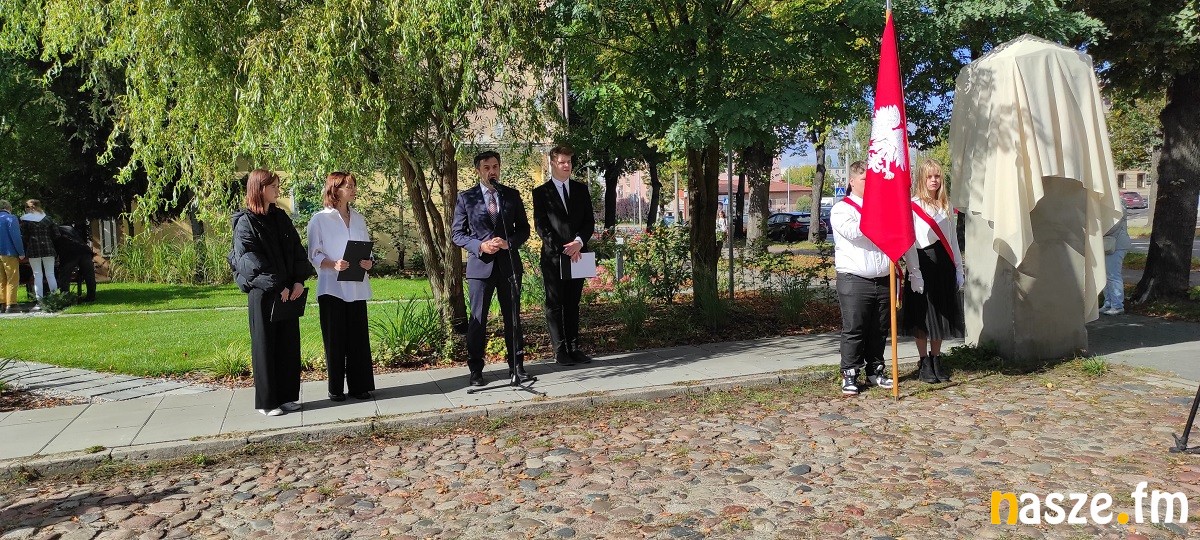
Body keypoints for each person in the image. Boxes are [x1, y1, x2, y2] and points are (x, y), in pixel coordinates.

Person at [230, 169, 313, 416]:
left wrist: (298, 281)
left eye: (278, 186)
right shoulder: (245, 223)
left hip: (289, 292)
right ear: (260, 189)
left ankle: (287, 397)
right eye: (274, 186)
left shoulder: (280, 217)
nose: (278, 190)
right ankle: (267, 403)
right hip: (264, 294)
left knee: (288, 345)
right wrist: (278, 286)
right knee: (265, 347)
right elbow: (249, 260)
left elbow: (296, 249)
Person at [452, 151, 532, 387]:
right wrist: (480, 246)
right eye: (486, 168)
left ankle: (516, 366)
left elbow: (524, 229)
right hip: (480, 267)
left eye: (495, 166)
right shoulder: (466, 198)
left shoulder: (511, 195)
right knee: (478, 319)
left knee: (512, 317)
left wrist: (509, 242)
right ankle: (476, 370)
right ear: (478, 170)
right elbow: (457, 234)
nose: (492, 171)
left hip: (509, 266)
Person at [308, 172, 376, 401]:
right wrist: (332, 264)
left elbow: (367, 249)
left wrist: (369, 262)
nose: (353, 189)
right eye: (349, 186)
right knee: (335, 339)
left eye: (354, 185)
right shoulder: (319, 219)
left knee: (358, 338)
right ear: (335, 189)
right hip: (332, 287)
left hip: (356, 285)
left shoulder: (359, 218)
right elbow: (314, 254)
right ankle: (335, 388)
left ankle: (359, 386)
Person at [829, 161, 894, 395]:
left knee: (879, 329)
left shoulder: (882, 207)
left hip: (882, 277)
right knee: (855, 328)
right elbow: (856, 232)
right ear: (852, 181)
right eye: (865, 180)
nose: (870, 184)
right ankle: (850, 373)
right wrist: (879, 214)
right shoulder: (842, 209)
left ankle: (875, 370)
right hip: (855, 278)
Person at [901, 159, 965, 383]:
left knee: (941, 314)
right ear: (922, 178)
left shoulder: (946, 205)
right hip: (922, 263)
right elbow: (909, 243)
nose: (934, 180)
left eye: (937, 176)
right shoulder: (912, 205)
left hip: (944, 265)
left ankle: (936, 358)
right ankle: (924, 362)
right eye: (929, 176)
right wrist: (914, 272)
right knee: (923, 314)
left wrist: (959, 268)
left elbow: (953, 240)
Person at [532, 144, 596, 366]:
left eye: (569, 162)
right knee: (555, 304)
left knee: (573, 304)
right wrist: (563, 248)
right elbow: (542, 227)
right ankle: (560, 350)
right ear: (552, 163)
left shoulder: (581, 190)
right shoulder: (541, 193)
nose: (567, 165)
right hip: (554, 258)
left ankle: (574, 348)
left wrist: (578, 242)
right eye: (562, 162)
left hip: (578, 255)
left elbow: (589, 222)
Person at [19, 199, 58, 308]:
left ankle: (39, 301)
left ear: (27, 208)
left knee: (37, 275)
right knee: (50, 274)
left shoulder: (25, 220)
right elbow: (56, 234)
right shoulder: (47, 218)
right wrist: (48, 240)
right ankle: (55, 298)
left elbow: (24, 236)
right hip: (48, 248)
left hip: (33, 248)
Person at [1102, 199, 1132, 316]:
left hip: (1117, 245)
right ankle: (1108, 303)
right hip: (1111, 244)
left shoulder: (1118, 207)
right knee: (1106, 275)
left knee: (1113, 275)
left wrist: (1099, 231)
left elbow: (1112, 227)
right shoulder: (1112, 205)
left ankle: (1117, 305)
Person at [53, 224, 97, 302]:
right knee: (89, 275)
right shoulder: (69, 228)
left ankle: (65, 297)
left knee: (64, 276)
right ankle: (91, 296)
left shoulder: (53, 232)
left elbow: (56, 247)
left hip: (69, 254)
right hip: (84, 251)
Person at [0, 200, 24, 313]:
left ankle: (2, 303)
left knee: (1, 279)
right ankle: (11, 304)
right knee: (12, 278)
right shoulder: (11, 218)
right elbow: (16, 237)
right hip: (9, 252)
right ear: (8, 207)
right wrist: (21, 252)